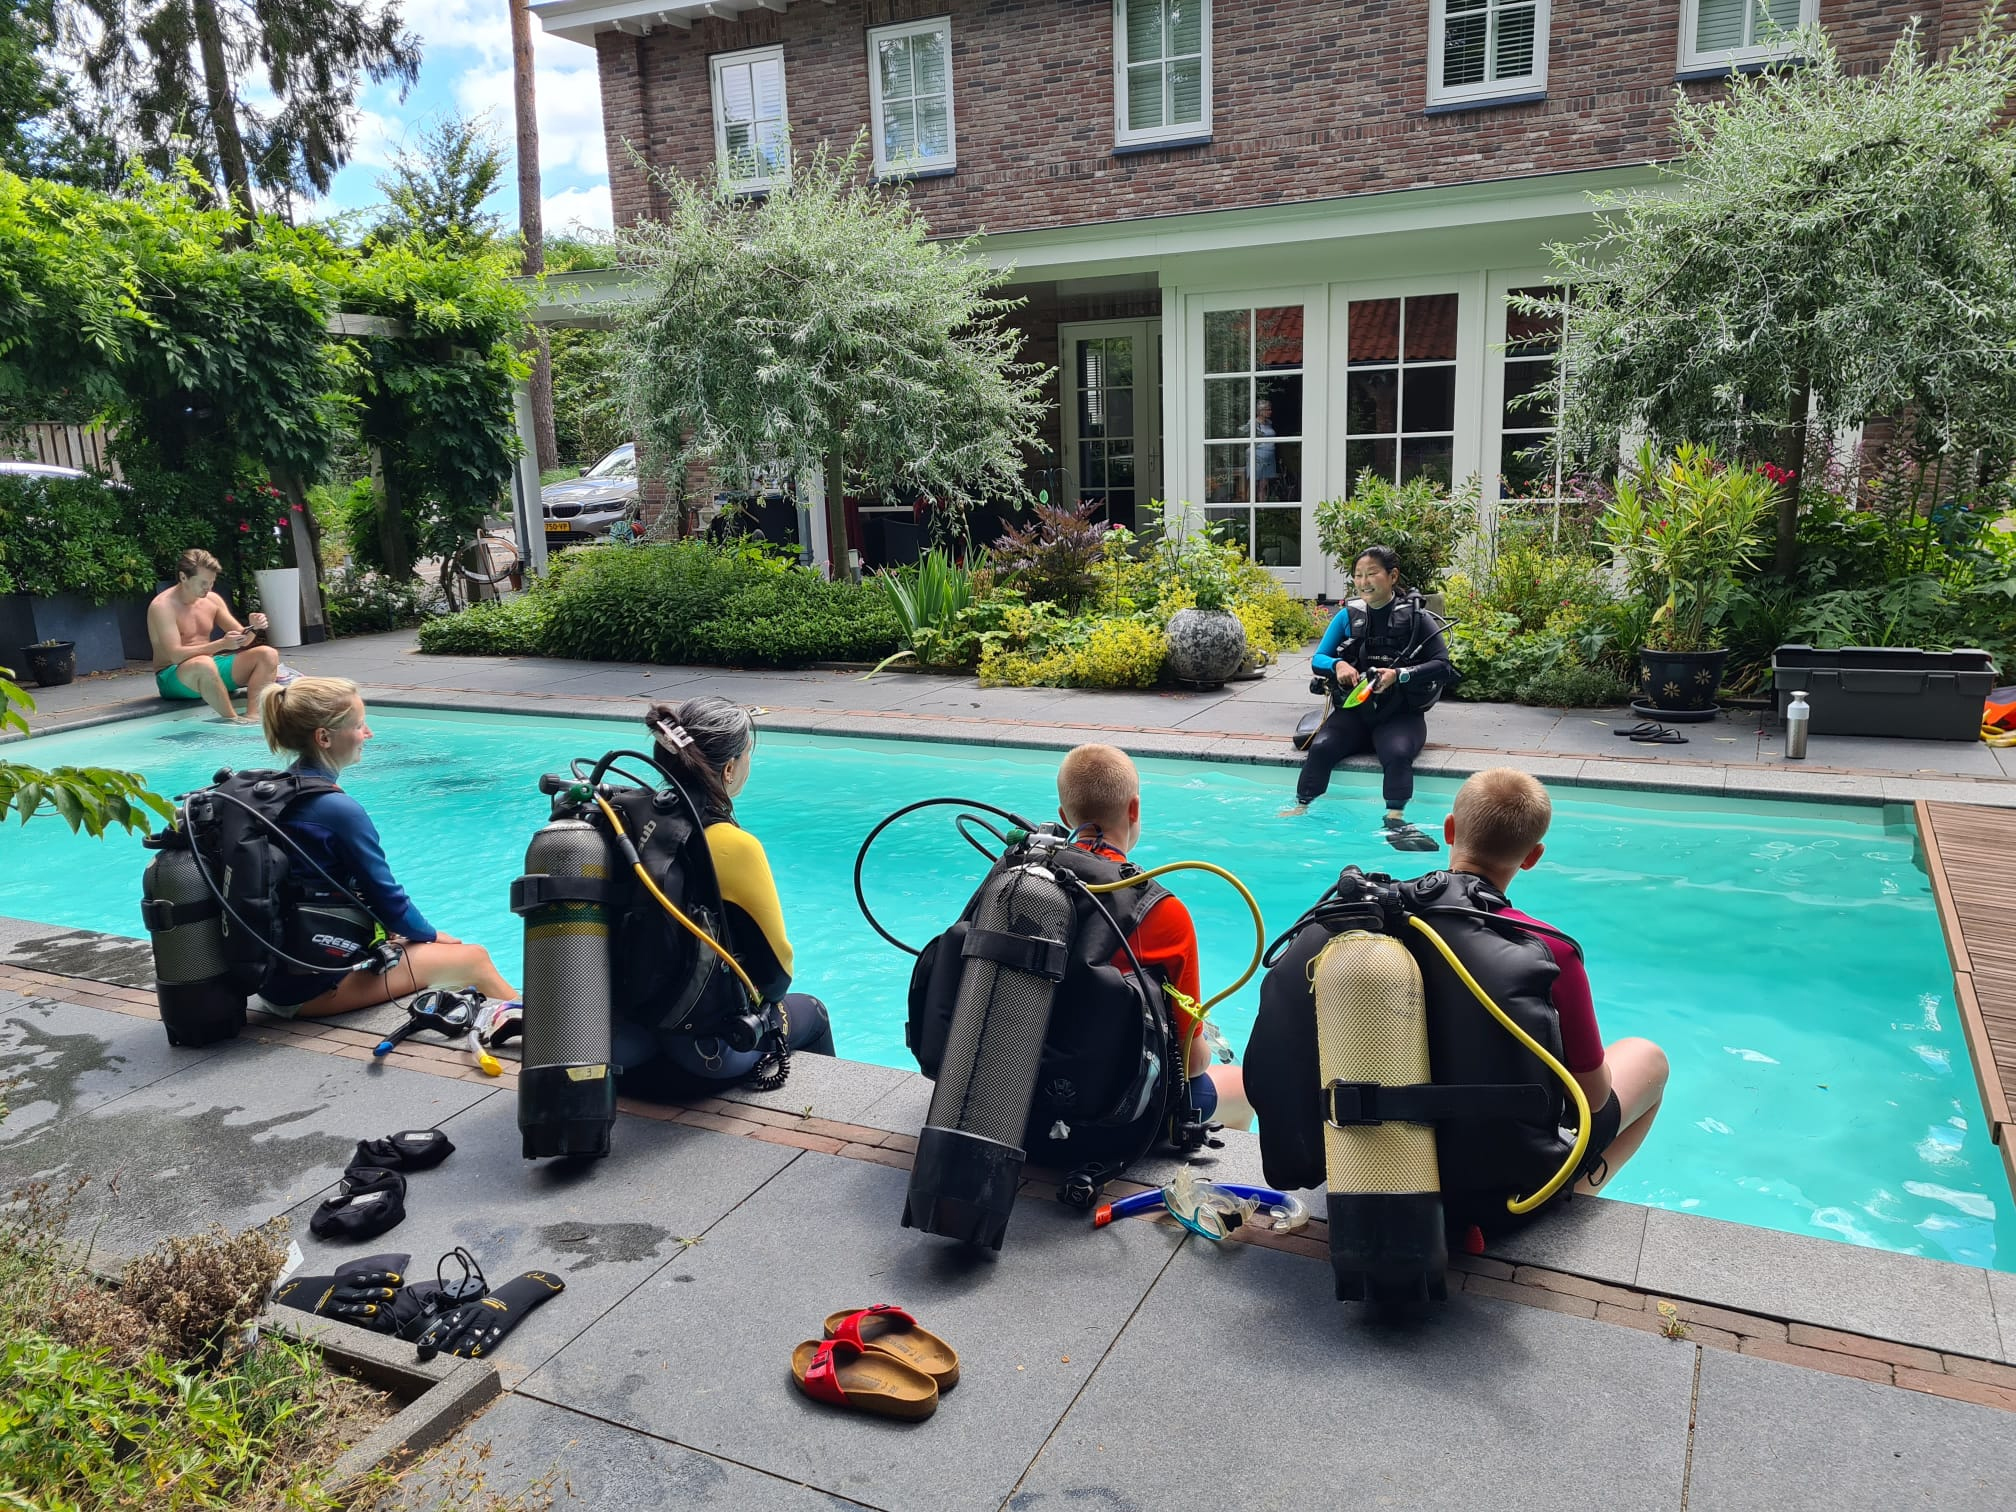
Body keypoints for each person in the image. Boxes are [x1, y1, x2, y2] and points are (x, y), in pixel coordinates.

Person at [1444, 768, 1668, 1192]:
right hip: (1499, 1174)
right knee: (1647, 1058)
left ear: (1449, 830)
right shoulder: (1550, 950)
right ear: (1533, 857)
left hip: (1394, 1147)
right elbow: (1594, 1098)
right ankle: (1570, 1200)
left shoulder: (1379, 919)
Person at [257, 677, 517, 1018]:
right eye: (359, 725)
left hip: (275, 980)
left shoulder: (273, 795)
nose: (368, 734)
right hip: (310, 991)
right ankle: (547, 1038)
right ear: (324, 738)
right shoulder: (337, 811)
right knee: (474, 958)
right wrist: (430, 934)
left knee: (435, 960)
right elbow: (389, 900)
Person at [615, 696, 836, 1089]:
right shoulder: (733, 845)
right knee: (814, 1012)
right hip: (701, 1056)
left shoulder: (625, 819)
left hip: (620, 1050)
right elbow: (776, 976)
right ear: (730, 768)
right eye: (747, 757)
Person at [1057, 744, 1252, 1130]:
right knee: (1244, 1086)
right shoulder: (1159, 910)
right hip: (1112, 1115)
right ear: (1134, 810)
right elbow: (1191, 1062)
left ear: (1064, 817)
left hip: (1013, 1101)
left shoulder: (1022, 885)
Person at [1285, 545, 1452, 851]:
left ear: (1392, 576)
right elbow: (1318, 658)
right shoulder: (1348, 616)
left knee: (1398, 753)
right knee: (1321, 747)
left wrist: (1399, 674)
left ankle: (1395, 820)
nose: (1364, 581)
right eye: (1358, 575)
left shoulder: (1417, 618)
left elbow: (1444, 666)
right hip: (1355, 712)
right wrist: (1339, 665)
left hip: (1400, 715)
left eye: (1372, 573)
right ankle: (1301, 808)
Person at [147, 548, 281, 724]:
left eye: (211, 582)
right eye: (203, 583)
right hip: (173, 676)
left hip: (210, 668)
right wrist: (220, 645)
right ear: (183, 577)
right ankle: (232, 721)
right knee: (204, 664)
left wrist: (253, 626)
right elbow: (175, 655)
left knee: (267, 654)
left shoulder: (212, 599)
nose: (208, 588)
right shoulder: (163, 607)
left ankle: (253, 717)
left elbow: (244, 640)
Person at [1250, 399, 1278, 503]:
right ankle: (1251, 510)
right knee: (1255, 484)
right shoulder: (1253, 424)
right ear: (1260, 411)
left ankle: (1263, 510)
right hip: (1258, 457)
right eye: (1268, 410)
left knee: (1264, 484)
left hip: (1270, 456)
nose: (1270, 412)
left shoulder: (1269, 423)